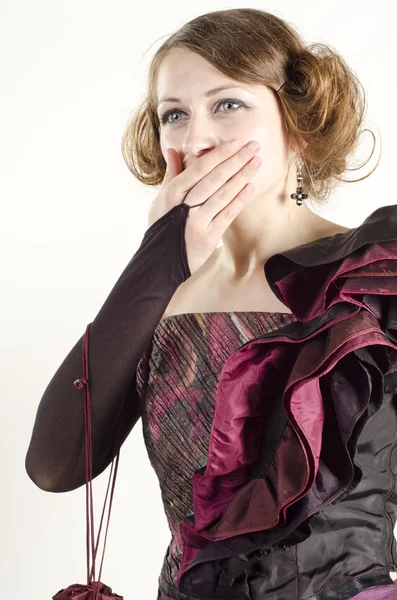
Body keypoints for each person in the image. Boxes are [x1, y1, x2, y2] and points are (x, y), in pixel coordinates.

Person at [25, 8, 397, 600]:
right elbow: (54, 466)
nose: (195, 139)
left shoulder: (375, 273)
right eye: (175, 114)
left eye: (227, 104)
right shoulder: (158, 293)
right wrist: (158, 260)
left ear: (297, 124)